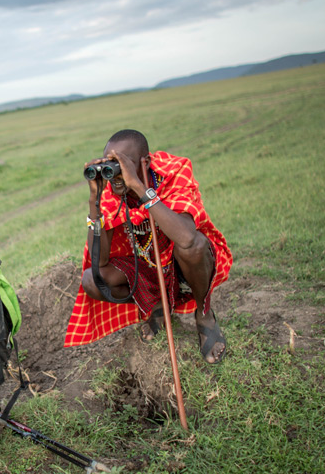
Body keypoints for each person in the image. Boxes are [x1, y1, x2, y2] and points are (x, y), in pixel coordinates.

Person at [64, 129, 233, 363]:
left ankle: (204, 314)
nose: (116, 175)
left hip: (183, 265)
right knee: (92, 280)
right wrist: (95, 201)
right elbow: (100, 262)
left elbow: (187, 238)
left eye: (122, 165)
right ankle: (155, 306)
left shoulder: (174, 171)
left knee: (193, 247)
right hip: (147, 264)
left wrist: (140, 189)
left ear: (144, 162)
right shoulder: (111, 190)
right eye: (110, 165)